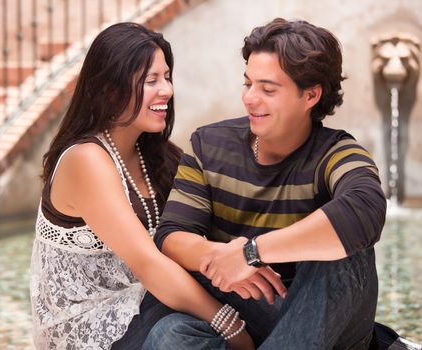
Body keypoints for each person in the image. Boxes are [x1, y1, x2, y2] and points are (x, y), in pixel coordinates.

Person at [145, 18, 388, 349]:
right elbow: (172, 236)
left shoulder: (336, 153)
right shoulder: (209, 145)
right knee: (170, 335)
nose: (250, 99)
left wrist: (251, 253)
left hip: (327, 322)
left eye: (268, 89)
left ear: (311, 95)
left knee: (344, 249)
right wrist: (222, 256)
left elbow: (365, 210)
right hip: (249, 316)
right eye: (248, 84)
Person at [29, 22, 253, 350]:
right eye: (151, 81)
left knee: (239, 278)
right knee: (206, 314)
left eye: (166, 77)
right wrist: (231, 326)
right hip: (96, 328)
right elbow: (150, 264)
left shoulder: (154, 155)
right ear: (109, 89)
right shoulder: (86, 160)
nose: (166, 90)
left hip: (147, 307)